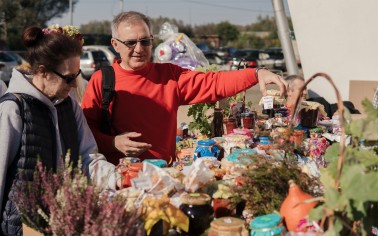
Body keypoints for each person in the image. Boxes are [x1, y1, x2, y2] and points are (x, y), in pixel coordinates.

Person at [81, 11, 288, 165]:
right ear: (115, 44)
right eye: (130, 43)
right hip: (120, 179)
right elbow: (85, 132)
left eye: (145, 41)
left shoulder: (169, 76)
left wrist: (256, 73)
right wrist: (113, 143)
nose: (139, 49)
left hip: (164, 176)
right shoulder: (102, 80)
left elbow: (213, 82)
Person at [0, 25, 118, 235]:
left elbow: (88, 158)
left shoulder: (69, 106)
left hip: (64, 224)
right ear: (43, 71)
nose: (75, 85)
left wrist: (117, 178)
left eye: (77, 75)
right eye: (68, 77)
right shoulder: (12, 108)